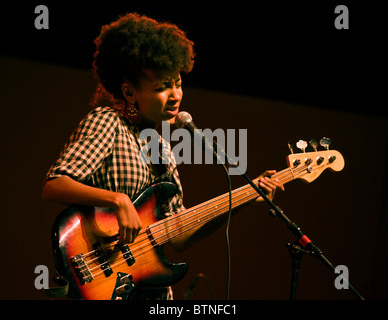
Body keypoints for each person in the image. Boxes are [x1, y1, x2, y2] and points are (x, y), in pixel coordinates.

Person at [42, 12, 284, 300]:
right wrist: (117, 200)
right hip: (102, 278)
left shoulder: (161, 147)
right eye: (161, 88)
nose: (175, 95)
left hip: (152, 291)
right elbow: (54, 185)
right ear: (129, 92)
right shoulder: (108, 122)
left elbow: (178, 235)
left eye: (177, 83)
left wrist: (242, 199)